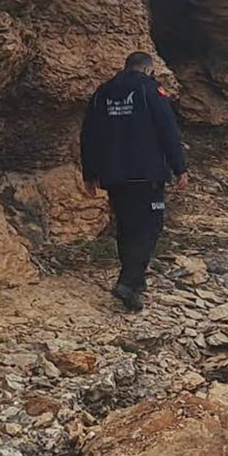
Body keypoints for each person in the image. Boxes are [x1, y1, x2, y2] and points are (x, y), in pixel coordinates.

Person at [81, 51, 189, 312]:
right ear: (149, 70)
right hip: (146, 173)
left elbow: (89, 133)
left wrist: (90, 173)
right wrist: (180, 168)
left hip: (114, 174)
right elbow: (167, 129)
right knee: (150, 227)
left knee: (127, 227)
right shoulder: (150, 90)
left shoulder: (103, 92)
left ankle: (134, 288)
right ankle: (129, 282)